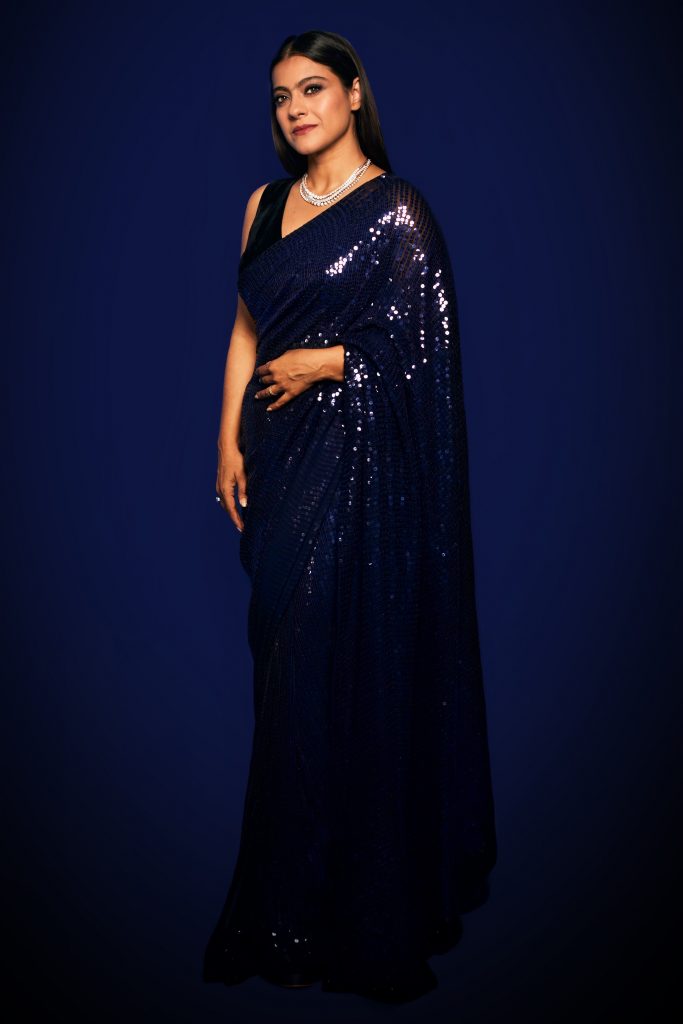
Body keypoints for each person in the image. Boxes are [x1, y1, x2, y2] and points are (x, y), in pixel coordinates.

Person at [203, 29, 497, 1004]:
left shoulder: (398, 213)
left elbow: (425, 358)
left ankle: (355, 915)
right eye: (281, 96)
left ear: (354, 94)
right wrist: (226, 442)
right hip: (277, 464)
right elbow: (245, 329)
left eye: (313, 89)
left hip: (358, 468)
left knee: (340, 666)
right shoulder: (262, 205)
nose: (295, 109)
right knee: (284, 677)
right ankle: (282, 907)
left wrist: (332, 362)